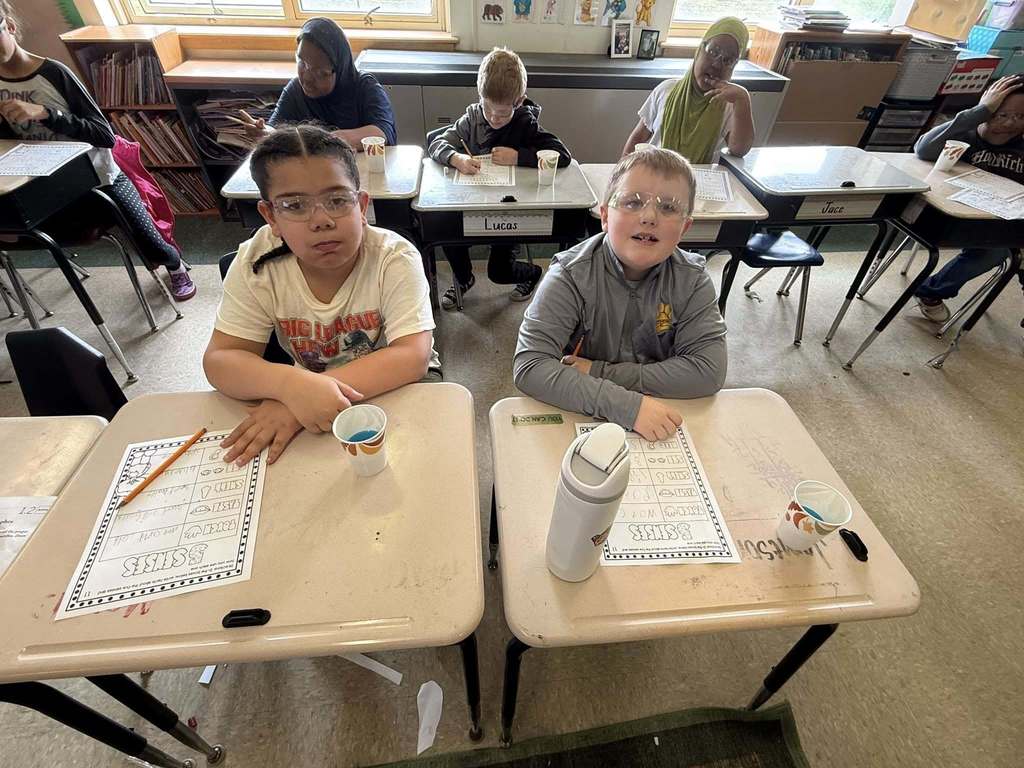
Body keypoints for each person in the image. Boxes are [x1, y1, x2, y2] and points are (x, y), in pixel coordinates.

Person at [204, 126, 439, 465]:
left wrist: (303, 396)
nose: (321, 220)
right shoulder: (256, 262)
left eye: (337, 200)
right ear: (270, 216)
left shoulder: (393, 257)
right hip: (305, 393)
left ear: (361, 206)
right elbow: (220, 360)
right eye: (294, 205)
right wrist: (291, 386)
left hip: (395, 385)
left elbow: (412, 357)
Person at [513, 148, 727, 441]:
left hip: (656, 409)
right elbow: (530, 367)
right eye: (632, 202)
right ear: (604, 216)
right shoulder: (570, 275)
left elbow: (708, 371)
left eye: (668, 207)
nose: (649, 217)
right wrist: (628, 406)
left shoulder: (693, 280)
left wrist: (599, 372)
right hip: (581, 409)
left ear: (685, 227)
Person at [0, 3, 196, 300]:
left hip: (97, 176)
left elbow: (103, 135)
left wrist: (46, 114)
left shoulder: (54, 73)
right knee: (11, 224)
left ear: (11, 27)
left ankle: (175, 264)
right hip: (42, 180)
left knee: (149, 240)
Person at [427, 47, 571, 310]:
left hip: (510, 211)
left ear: (519, 101)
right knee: (446, 232)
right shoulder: (472, 118)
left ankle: (532, 273)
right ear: (479, 96)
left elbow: (562, 155)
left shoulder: (525, 123)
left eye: (503, 114)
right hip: (473, 204)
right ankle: (464, 278)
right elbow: (436, 143)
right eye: (488, 108)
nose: (493, 118)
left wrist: (519, 156)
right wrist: (456, 158)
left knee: (498, 272)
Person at [911, 75, 1024, 322]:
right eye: (1002, 114)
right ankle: (931, 292)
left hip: (999, 223)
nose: (1010, 123)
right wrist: (979, 112)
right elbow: (923, 149)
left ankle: (930, 291)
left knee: (1002, 251)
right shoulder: (964, 135)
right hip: (950, 218)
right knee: (997, 251)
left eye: (1021, 117)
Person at [238, 17, 396, 148]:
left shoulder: (364, 86)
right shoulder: (295, 90)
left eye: (320, 72)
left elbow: (381, 133)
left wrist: (328, 139)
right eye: (302, 63)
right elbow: (276, 129)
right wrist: (266, 133)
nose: (307, 78)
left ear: (340, 70)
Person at [622, 16, 753, 163]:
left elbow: (738, 150)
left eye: (728, 60)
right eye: (713, 51)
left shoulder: (728, 106)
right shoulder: (666, 90)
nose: (717, 65)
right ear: (699, 51)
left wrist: (743, 100)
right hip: (655, 172)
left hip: (697, 176)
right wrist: (621, 171)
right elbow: (638, 138)